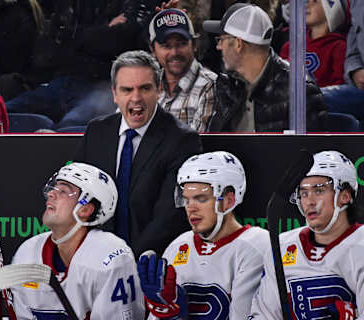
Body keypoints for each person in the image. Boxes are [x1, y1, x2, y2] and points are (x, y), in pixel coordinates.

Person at [74, 50, 202, 257]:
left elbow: (168, 217)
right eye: (127, 90)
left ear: (159, 90)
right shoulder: (96, 132)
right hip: (95, 260)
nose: (136, 98)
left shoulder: (181, 140)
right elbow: (79, 198)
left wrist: (127, 262)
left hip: (150, 260)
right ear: (115, 94)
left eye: (145, 88)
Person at [138, 151, 269, 319]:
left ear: (229, 200)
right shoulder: (179, 245)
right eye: (186, 199)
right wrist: (166, 311)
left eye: (201, 199)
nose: (191, 208)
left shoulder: (255, 245)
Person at [10, 162, 145, 318]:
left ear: (86, 209)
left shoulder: (111, 257)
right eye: (53, 189)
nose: (51, 194)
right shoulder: (27, 253)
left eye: (63, 191)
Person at [249, 150, 363, 320]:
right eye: (304, 193)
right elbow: (264, 314)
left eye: (318, 191)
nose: (309, 201)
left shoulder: (360, 245)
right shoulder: (283, 247)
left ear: (344, 196)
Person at [5, 0, 144, 130]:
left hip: (106, 83)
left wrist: (75, 38)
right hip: (62, 80)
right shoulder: (67, 4)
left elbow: (120, 40)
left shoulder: (130, 4)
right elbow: (53, 41)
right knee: (1, 114)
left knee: (69, 127)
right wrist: (101, 31)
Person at [202, 3, 328, 132]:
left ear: (238, 44)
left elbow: (310, 149)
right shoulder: (226, 85)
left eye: (221, 40)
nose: (218, 47)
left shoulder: (300, 89)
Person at [149, 8, 217, 132]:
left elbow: (196, 144)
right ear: (153, 50)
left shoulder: (210, 84)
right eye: (166, 46)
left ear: (195, 44)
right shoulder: (147, 84)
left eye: (181, 44)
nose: (174, 52)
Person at [280, 0, 348, 87]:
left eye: (315, 1)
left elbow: (339, 88)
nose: (306, 5)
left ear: (332, 8)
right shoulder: (289, 46)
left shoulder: (339, 48)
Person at [320, 0, 364, 126]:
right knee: (308, 99)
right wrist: (355, 70)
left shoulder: (336, 45)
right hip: (360, 89)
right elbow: (354, 37)